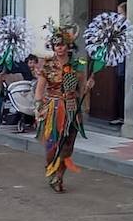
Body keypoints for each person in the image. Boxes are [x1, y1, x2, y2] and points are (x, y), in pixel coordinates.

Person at [35, 19, 91, 193]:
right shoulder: (48, 65)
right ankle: (50, 166)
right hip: (52, 107)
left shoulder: (78, 65)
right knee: (52, 145)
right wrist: (38, 107)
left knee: (67, 146)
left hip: (72, 108)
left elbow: (82, 89)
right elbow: (40, 88)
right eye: (57, 45)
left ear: (68, 46)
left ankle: (59, 177)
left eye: (63, 45)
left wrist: (88, 88)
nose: (60, 48)